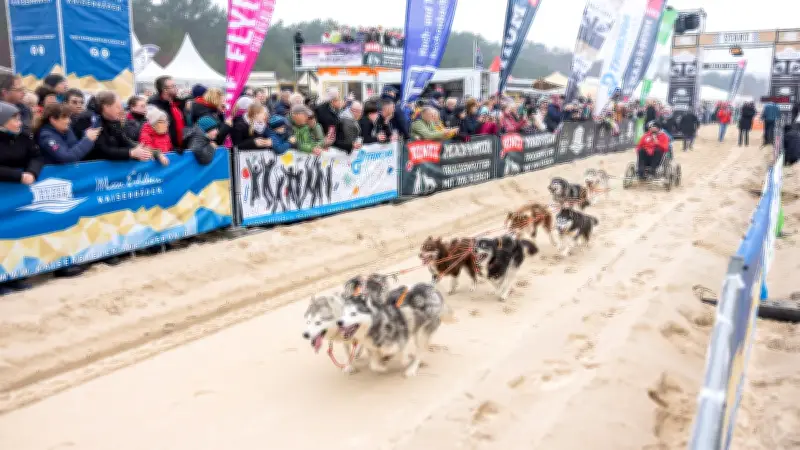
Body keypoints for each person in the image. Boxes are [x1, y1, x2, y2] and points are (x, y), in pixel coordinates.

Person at [86, 91, 152, 162]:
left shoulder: (113, 120)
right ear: (106, 107)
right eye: (118, 107)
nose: (121, 110)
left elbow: (124, 140)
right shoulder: (91, 120)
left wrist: (144, 150)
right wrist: (130, 153)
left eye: (121, 106)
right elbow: (102, 151)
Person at [148, 76, 186, 149]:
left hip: (182, 147)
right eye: (173, 86)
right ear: (165, 90)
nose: (176, 88)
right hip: (168, 149)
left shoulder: (178, 103)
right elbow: (156, 129)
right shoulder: (155, 105)